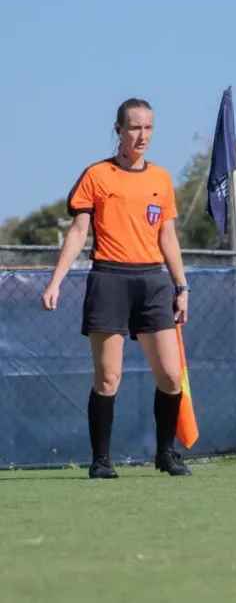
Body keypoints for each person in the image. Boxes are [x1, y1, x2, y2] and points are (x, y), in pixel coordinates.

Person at [41, 98, 192, 479]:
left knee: (171, 377)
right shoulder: (96, 175)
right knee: (109, 378)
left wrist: (181, 285)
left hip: (154, 282)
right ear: (119, 130)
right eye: (135, 128)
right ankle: (101, 460)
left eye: (148, 128)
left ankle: (165, 453)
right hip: (109, 279)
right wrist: (56, 281)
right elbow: (78, 232)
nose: (142, 135)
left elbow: (168, 238)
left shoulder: (161, 179)